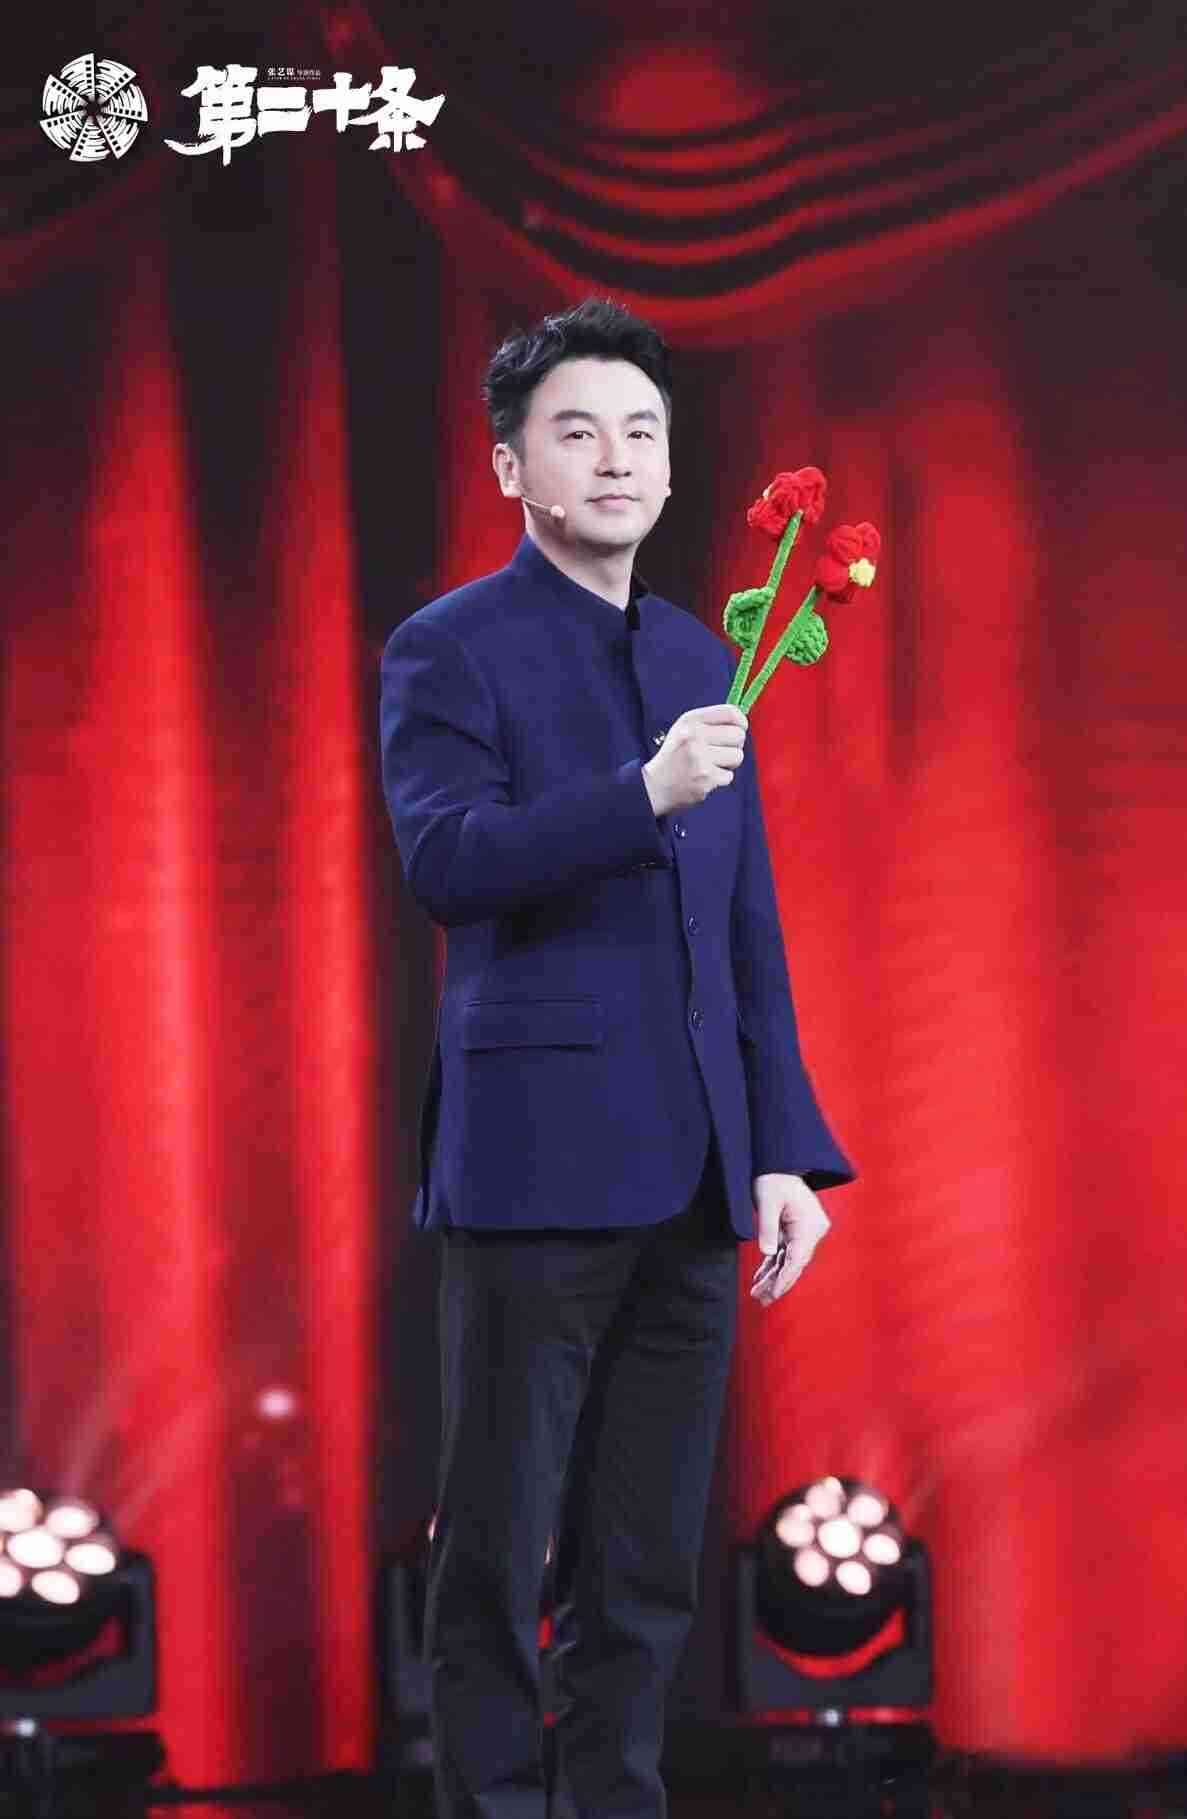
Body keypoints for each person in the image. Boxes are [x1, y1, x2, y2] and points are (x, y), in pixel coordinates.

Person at [379, 296, 856, 1819]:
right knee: (497, 1546)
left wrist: (780, 1149)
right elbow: (447, 862)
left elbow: (745, 925)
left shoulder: (709, 651)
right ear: (510, 466)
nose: (616, 460)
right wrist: (640, 794)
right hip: (533, 1164)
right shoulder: (450, 648)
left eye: (641, 430)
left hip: (697, 1166)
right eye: (576, 432)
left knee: (645, 1564)